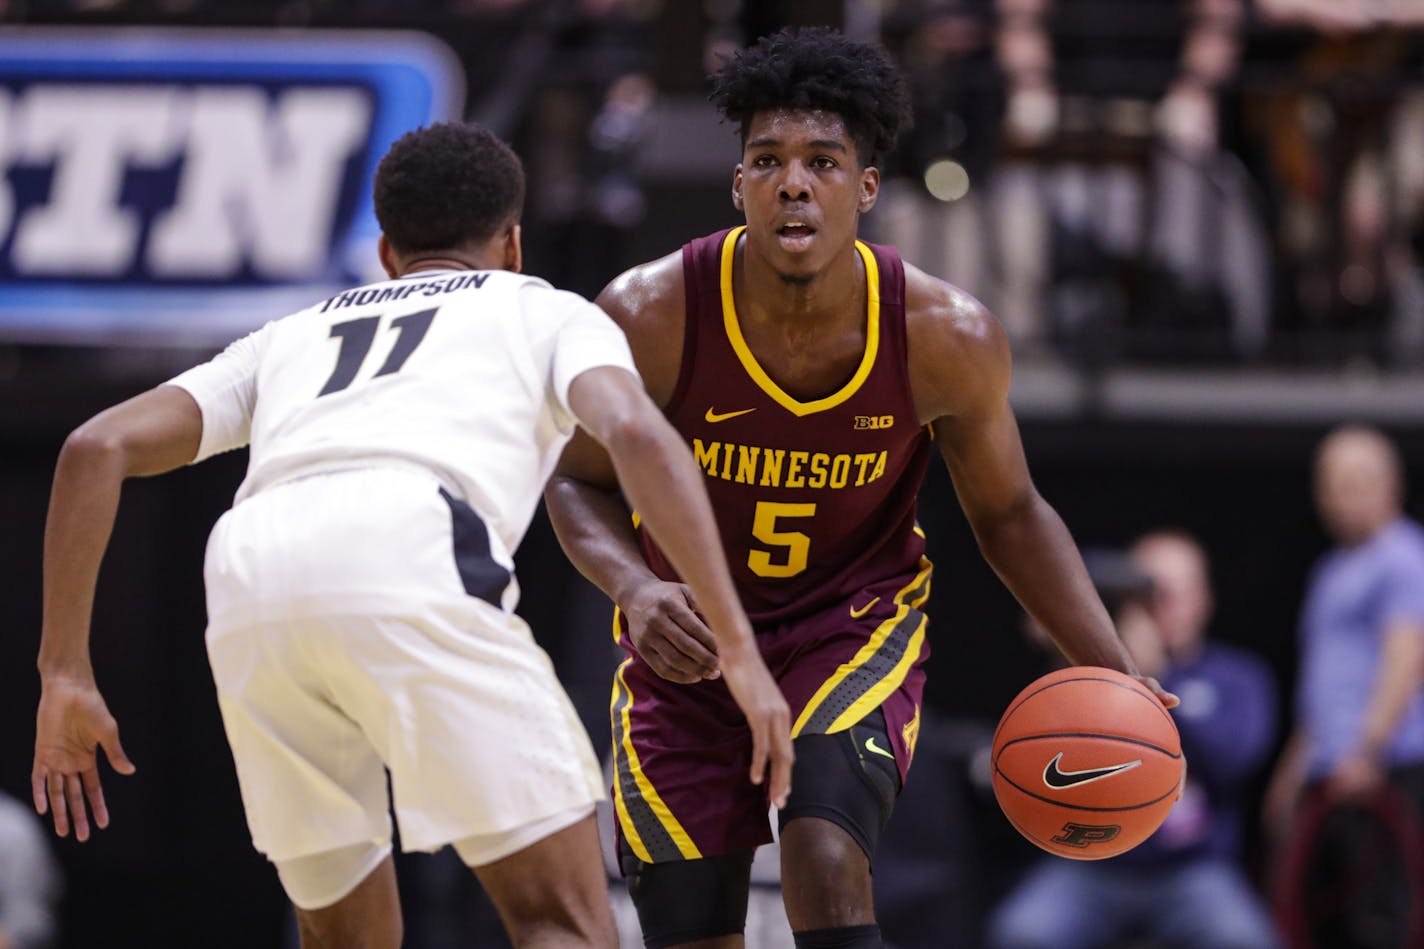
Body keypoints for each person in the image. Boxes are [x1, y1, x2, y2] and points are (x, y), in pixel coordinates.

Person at [30, 121, 792, 949]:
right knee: (560, 919)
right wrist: (742, 651)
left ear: (388, 251)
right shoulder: (542, 308)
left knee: (341, 937)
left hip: (251, 569)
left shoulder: (293, 334)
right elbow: (640, 439)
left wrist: (64, 671)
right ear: (512, 244)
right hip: (409, 536)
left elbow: (93, 447)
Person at [544, 27, 1176, 949]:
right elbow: (574, 484)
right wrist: (634, 588)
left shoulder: (945, 335)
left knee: (826, 862)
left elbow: (1008, 511)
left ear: (866, 188)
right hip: (690, 644)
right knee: (688, 925)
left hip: (849, 622)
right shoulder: (649, 313)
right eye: (768, 160)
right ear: (739, 186)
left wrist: (1113, 667)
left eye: (822, 161)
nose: (793, 181)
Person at [988, 530, 1280, 949]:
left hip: (1192, 871)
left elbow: (1234, 761)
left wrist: (1156, 678)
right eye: (1145, 594)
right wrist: (1081, 637)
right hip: (1092, 866)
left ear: (1205, 599)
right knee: (1023, 933)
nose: (1159, 608)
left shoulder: (1238, 675)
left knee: (1245, 939)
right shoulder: (1092, 677)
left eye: (1172, 593)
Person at [1265, 425, 1424, 945]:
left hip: (1384, 770)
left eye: (1357, 481)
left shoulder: (1403, 557)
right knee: (1320, 918)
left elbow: (1407, 655)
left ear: (1392, 485)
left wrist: (1369, 748)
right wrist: (1293, 771)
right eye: (1331, 483)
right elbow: (1324, 685)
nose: (1341, 495)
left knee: (1381, 919)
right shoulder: (1331, 570)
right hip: (1329, 769)